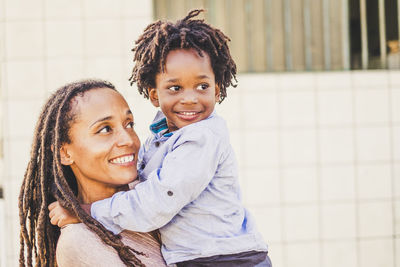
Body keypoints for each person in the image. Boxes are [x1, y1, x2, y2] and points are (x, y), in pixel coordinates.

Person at [50, 9, 271, 266]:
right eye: (175, 88)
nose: (190, 98)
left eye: (202, 87)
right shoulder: (162, 137)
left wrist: (88, 212)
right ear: (155, 96)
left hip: (224, 259)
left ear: (217, 90)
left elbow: (156, 203)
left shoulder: (200, 138)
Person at [19, 79, 167, 267]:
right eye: (105, 129)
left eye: (129, 124)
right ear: (64, 153)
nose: (128, 140)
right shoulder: (80, 242)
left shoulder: (155, 192)